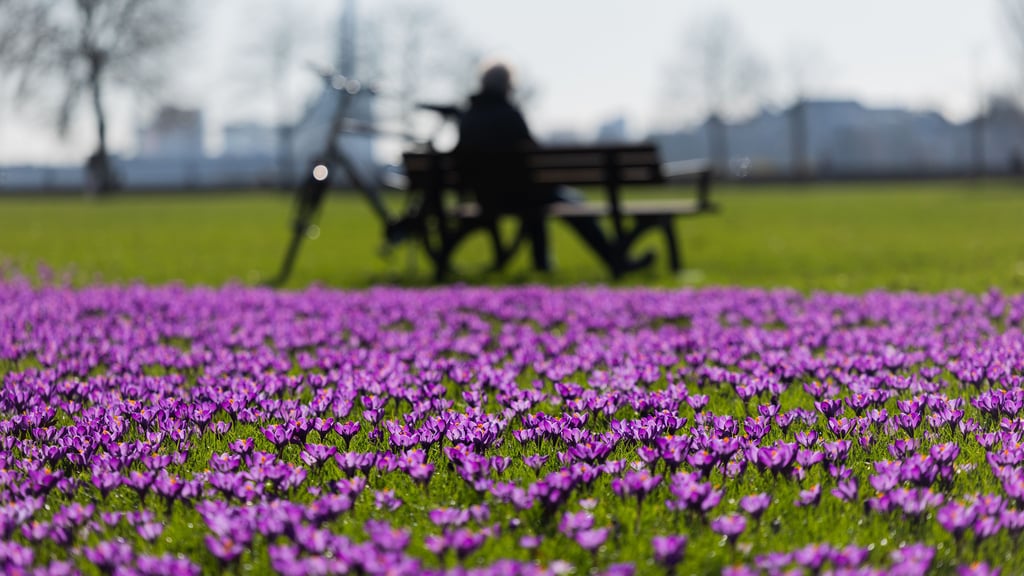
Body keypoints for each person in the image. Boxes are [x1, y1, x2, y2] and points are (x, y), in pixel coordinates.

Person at [454, 61, 652, 276]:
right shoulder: (509, 114)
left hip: (487, 197)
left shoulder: (468, 118)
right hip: (522, 193)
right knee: (571, 202)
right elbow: (534, 154)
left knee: (537, 200)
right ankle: (615, 260)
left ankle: (542, 263)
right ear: (507, 85)